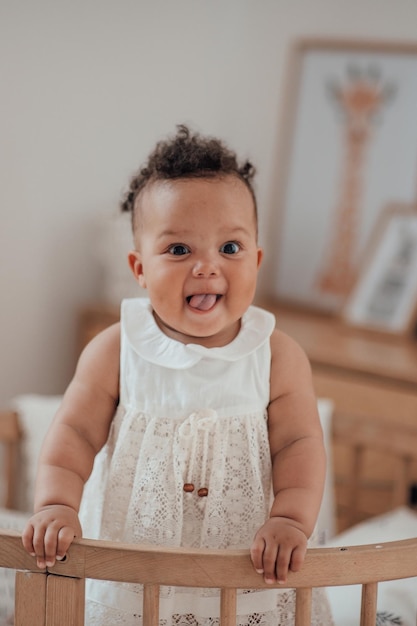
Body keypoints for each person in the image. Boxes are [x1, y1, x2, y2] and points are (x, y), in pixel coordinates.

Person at [22, 125, 333, 624]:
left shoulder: (278, 355)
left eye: (229, 249)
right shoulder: (116, 349)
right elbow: (75, 433)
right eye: (179, 250)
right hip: (135, 564)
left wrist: (290, 520)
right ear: (140, 268)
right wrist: (57, 505)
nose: (207, 267)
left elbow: (299, 445)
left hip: (248, 566)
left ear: (256, 261)